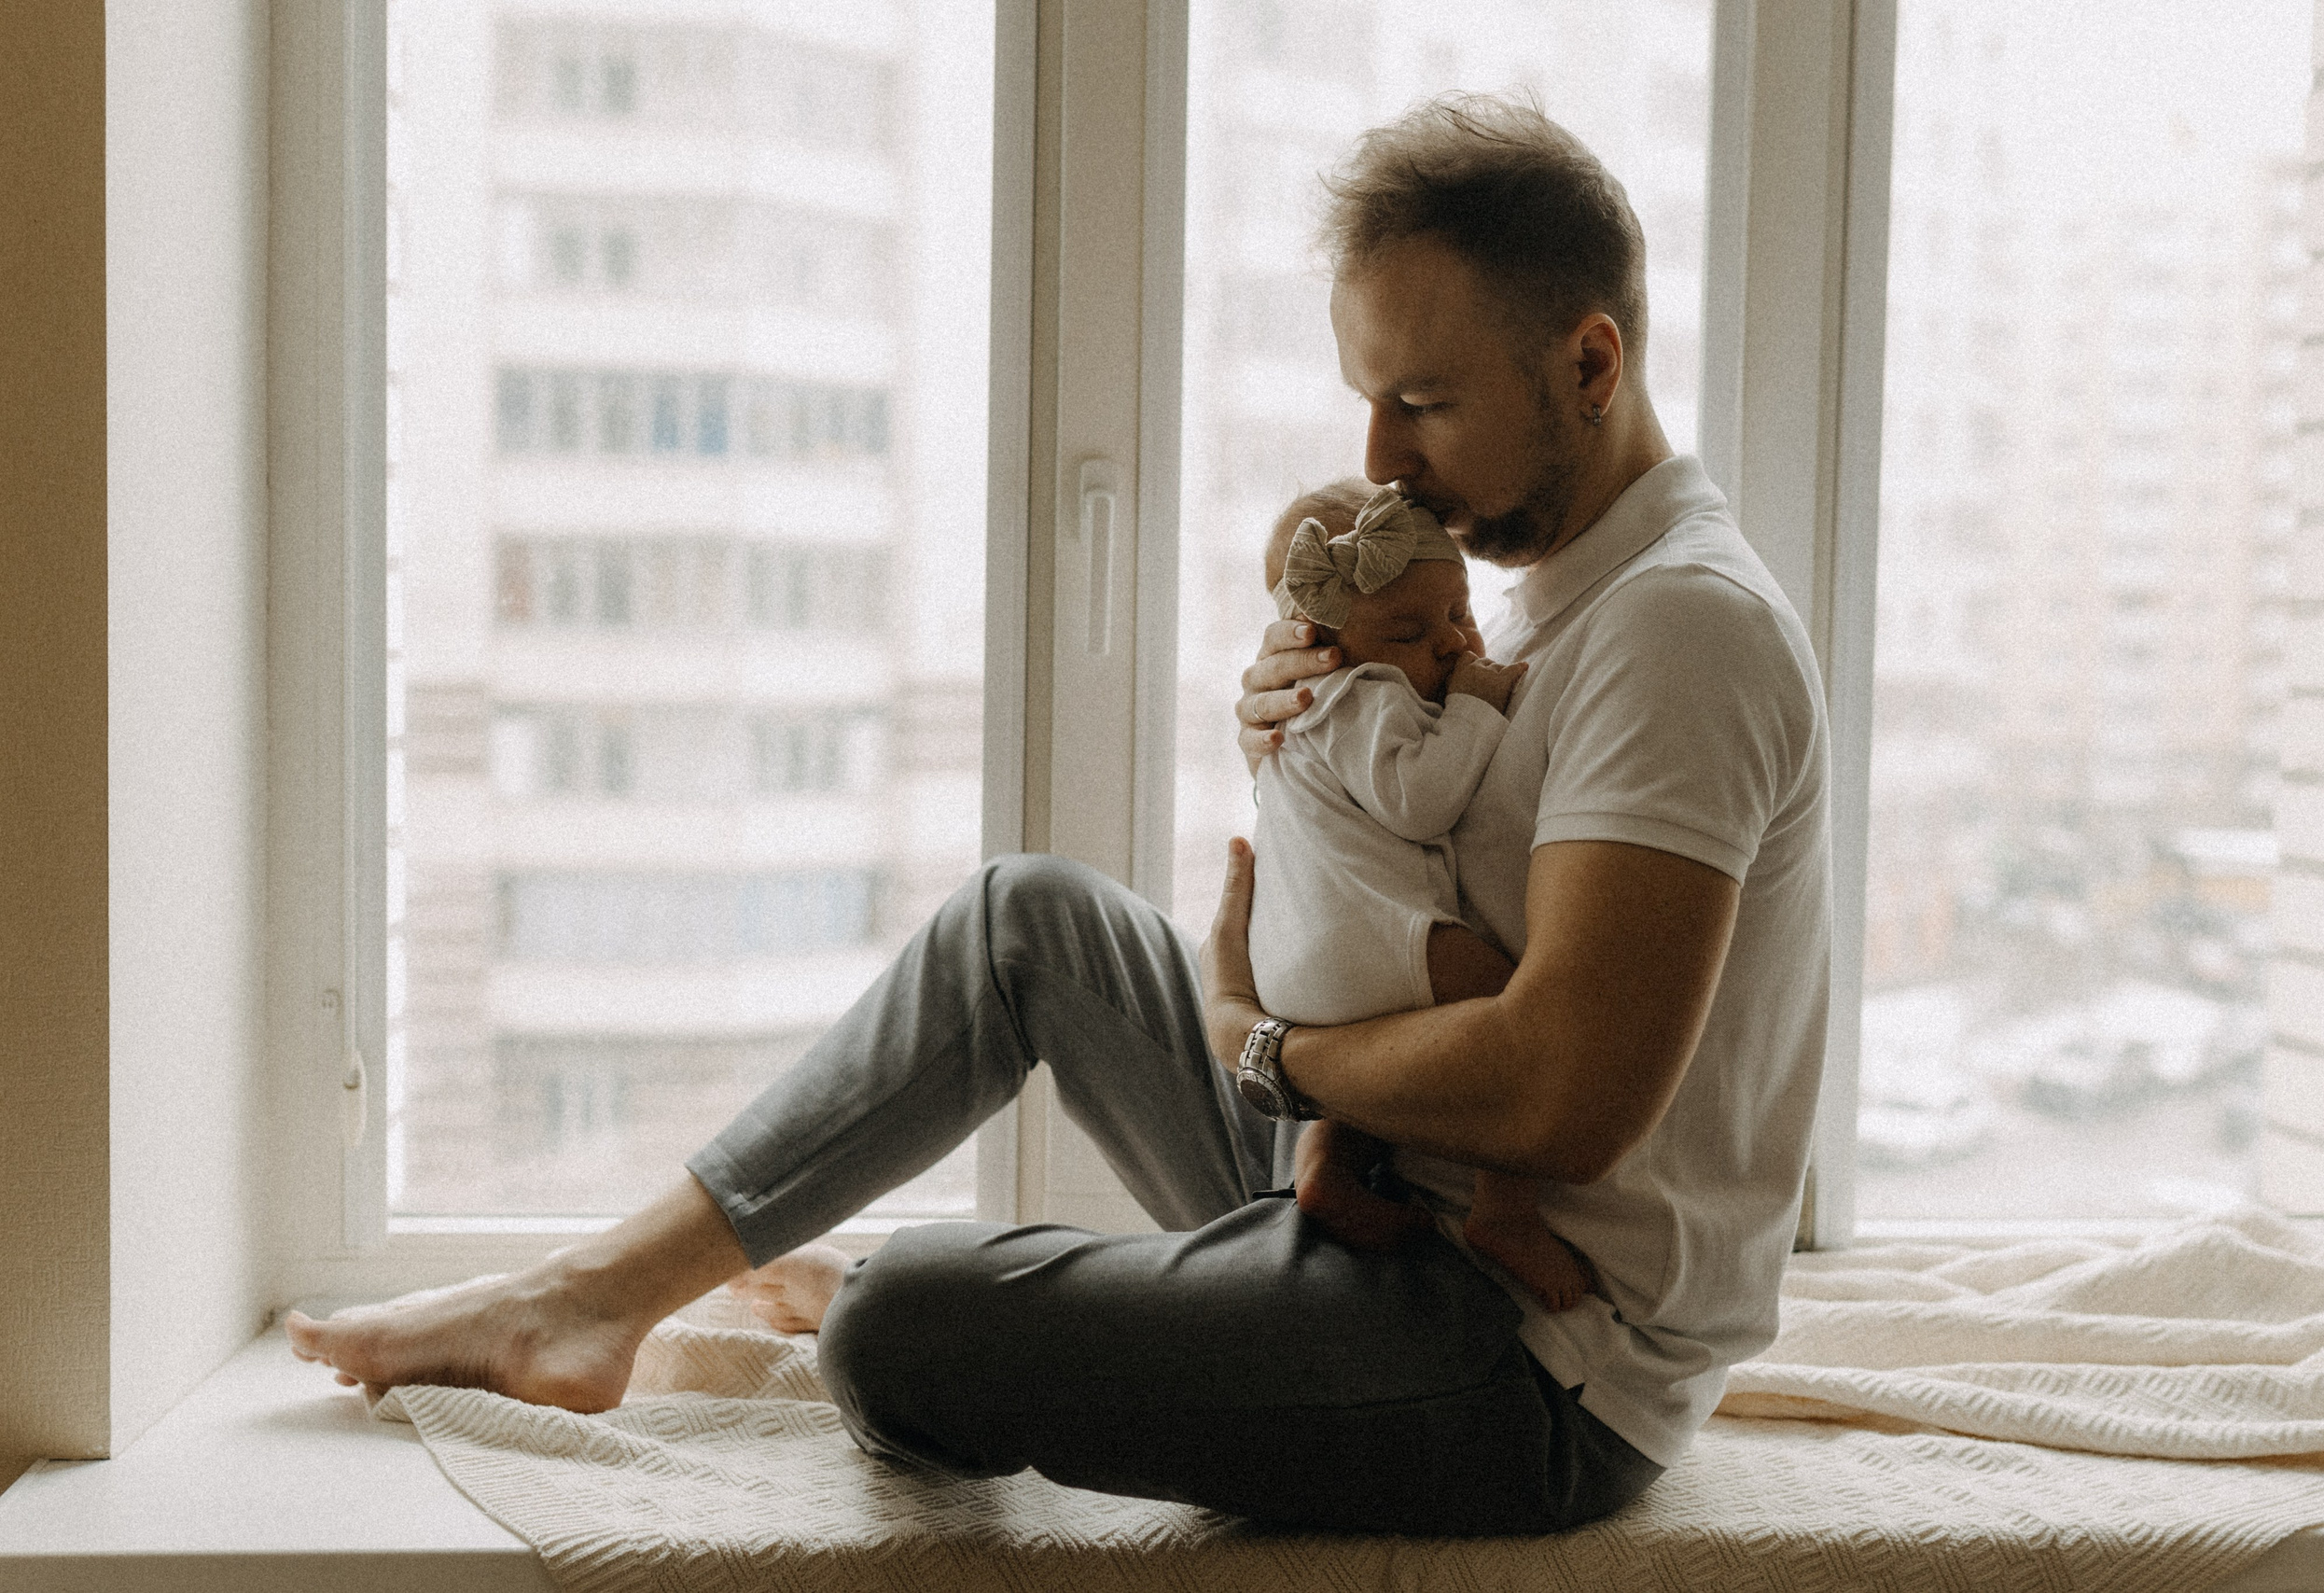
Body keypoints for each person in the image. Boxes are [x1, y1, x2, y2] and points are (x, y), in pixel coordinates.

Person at [285, 94, 1829, 1538]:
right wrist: (1307, 757)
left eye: (1422, 401)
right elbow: (1413, 899)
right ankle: (593, 1295)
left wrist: (1263, 1047)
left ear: (1590, 363)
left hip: (1527, 1360)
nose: (1378, 461)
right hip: (1381, 1192)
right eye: (1368, 400)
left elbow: (1565, 1092)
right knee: (1029, 916)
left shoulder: (1680, 629)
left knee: (903, 1323)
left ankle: (1034, 1302)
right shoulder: (1536, 600)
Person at [1251, 477, 1591, 1313]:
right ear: (1321, 645)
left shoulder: (1316, 707)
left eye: (1458, 611)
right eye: (1407, 631)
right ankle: (1505, 1208)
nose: (1448, 642)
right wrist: (1475, 707)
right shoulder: (1361, 696)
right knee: (1511, 1012)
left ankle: (1326, 1169)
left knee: (1386, 1049)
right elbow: (1421, 798)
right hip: (1361, 941)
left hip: (1307, 965)